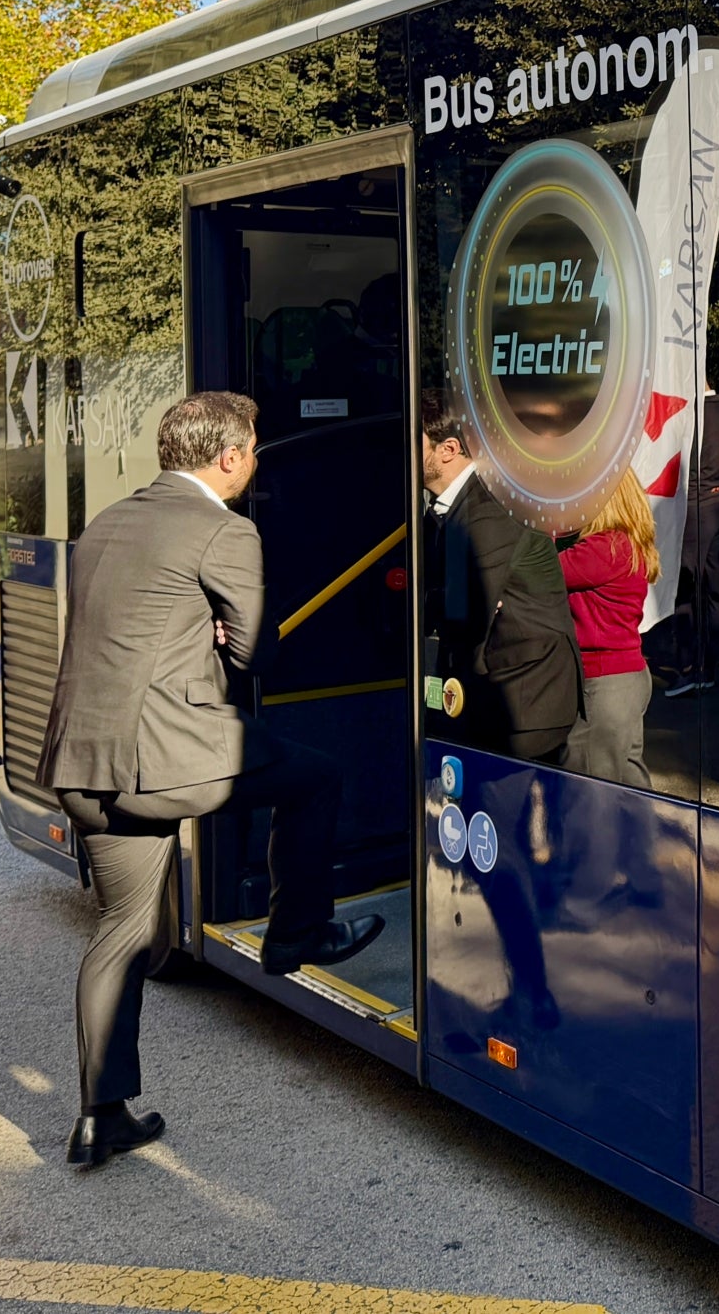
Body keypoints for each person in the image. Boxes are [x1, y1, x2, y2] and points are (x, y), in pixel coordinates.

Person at [40, 391, 380, 1167]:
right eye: (254, 448)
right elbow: (255, 654)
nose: (255, 460)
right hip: (172, 756)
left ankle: (100, 1115)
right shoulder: (227, 530)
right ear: (229, 458)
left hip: (84, 762)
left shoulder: (107, 522)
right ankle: (295, 932)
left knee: (122, 929)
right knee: (315, 779)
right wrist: (227, 640)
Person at [419, 397, 583, 762]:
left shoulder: (489, 505)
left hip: (524, 699)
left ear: (448, 450)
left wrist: (427, 600)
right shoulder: (450, 506)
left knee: (511, 809)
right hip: (494, 692)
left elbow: (465, 611)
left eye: (413, 443)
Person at [560, 473, 658, 787]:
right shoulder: (628, 545)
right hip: (628, 676)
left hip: (605, 682)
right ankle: (642, 836)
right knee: (630, 783)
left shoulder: (603, 549)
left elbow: (542, 571)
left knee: (587, 786)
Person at [661, 378, 719, 698]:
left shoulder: (688, 414)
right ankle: (709, 664)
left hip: (695, 508)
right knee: (715, 589)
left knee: (685, 590)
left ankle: (687, 669)